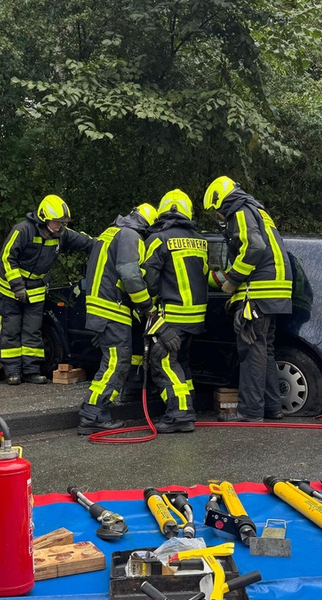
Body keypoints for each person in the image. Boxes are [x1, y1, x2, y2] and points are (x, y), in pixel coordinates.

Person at [203, 176, 293, 422]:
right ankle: (272, 407)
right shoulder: (258, 211)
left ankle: (250, 411)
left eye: (215, 210)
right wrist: (222, 276)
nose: (218, 216)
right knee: (264, 351)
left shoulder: (240, 211)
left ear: (220, 200)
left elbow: (254, 248)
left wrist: (233, 280)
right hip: (275, 291)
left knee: (251, 351)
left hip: (258, 292)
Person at [77, 203, 159, 434]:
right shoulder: (131, 236)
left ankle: (97, 411)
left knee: (115, 361)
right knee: (116, 363)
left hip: (101, 307)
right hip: (112, 309)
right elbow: (130, 275)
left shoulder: (111, 232)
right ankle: (92, 413)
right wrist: (146, 306)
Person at [0, 195, 94, 385]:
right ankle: (12, 372)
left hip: (36, 291)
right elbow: (7, 258)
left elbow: (86, 242)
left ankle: (31, 371)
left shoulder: (61, 234)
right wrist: (17, 286)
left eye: (62, 222)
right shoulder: (23, 230)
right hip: (10, 291)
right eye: (56, 222)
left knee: (33, 332)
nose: (60, 226)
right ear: (44, 218)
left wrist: (106, 243)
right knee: (11, 330)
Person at [142, 190, 208, 433]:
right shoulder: (200, 240)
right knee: (181, 361)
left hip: (171, 316)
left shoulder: (158, 239)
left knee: (163, 362)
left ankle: (180, 414)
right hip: (196, 317)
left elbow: (149, 279)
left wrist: (146, 306)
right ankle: (188, 404)